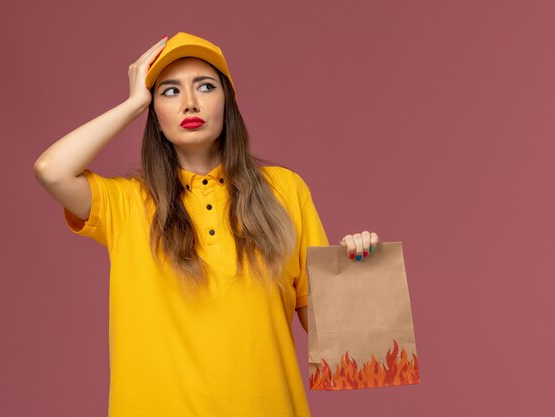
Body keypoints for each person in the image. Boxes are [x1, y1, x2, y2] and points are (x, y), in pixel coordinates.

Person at [33, 31, 379, 417]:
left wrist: (355, 271)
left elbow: (333, 331)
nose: (190, 103)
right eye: (169, 91)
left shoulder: (285, 191)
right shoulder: (128, 203)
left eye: (205, 86)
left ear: (227, 102)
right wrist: (132, 104)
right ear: (154, 113)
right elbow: (52, 170)